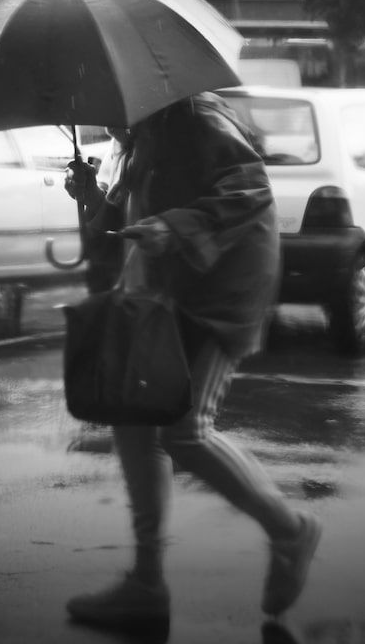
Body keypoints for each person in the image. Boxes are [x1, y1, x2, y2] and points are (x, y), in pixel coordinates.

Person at [63, 91, 321, 635]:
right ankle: (146, 583)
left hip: (218, 295)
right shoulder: (136, 140)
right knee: (134, 421)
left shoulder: (198, 120)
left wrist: (173, 227)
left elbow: (248, 190)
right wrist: (92, 199)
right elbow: (123, 227)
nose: (99, 116)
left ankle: (289, 529)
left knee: (184, 431)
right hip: (161, 298)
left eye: (105, 100)